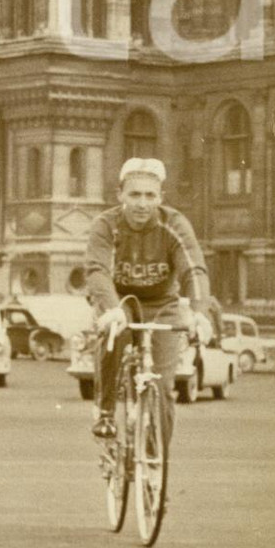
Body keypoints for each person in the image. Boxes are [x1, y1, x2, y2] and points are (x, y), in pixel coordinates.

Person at [84, 157, 212, 447]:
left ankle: (156, 462)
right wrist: (112, 309)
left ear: (160, 197)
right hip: (120, 301)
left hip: (162, 304)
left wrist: (199, 313)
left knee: (164, 385)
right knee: (113, 337)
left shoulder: (174, 224)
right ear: (120, 195)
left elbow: (193, 269)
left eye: (150, 195)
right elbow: (97, 271)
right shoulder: (106, 224)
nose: (142, 203)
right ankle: (105, 411)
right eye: (135, 194)